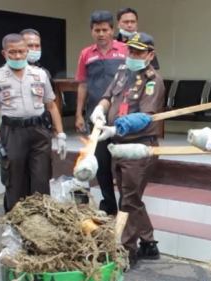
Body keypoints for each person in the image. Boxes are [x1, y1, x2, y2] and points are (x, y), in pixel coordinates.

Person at [91, 32, 164, 267]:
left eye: (138, 52)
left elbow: (147, 117)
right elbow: (108, 96)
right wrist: (100, 109)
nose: (132, 55)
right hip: (119, 146)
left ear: (150, 55)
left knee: (129, 200)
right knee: (130, 197)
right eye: (130, 51)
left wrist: (117, 128)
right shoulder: (123, 71)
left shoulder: (153, 81)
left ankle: (127, 250)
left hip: (138, 147)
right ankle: (149, 243)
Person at [0, 33, 67, 212]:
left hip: (39, 131)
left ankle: (41, 225)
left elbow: (51, 106)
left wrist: (60, 135)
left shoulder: (40, 75)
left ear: (27, 51)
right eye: (12, 52)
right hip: (12, 133)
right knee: (14, 181)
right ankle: (16, 227)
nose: (18, 56)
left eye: (22, 51)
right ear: (4, 53)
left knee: (41, 179)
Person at [76, 11, 128, 216]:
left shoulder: (125, 50)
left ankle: (125, 203)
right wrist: (79, 114)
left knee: (123, 161)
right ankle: (108, 203)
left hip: (122, 114)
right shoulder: (86, 54)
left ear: (112, 30)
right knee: (102, 160)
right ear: (91, 31)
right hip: (96, 115)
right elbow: (81, 84)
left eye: (105, 30)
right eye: (97, 30)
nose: (101, 34)